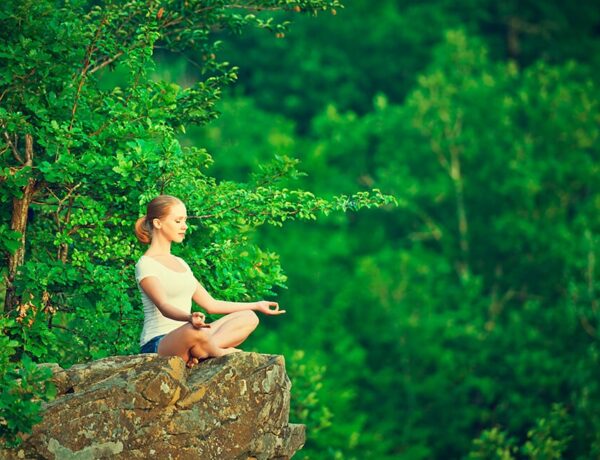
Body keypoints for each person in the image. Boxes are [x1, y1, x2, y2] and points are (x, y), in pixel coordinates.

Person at [134, 194, 285, 367]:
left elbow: (211, 304)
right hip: (159, 343)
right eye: (178, 221)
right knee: (194, 331)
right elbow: (164, 306)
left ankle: (200, 351)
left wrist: (257, 305)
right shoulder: (146, 264)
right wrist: (189, 317)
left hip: (194, 335)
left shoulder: (180, 263)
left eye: (185, 221)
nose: (184, 227)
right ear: (158, 223)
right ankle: (215, 351)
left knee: (249, 317)